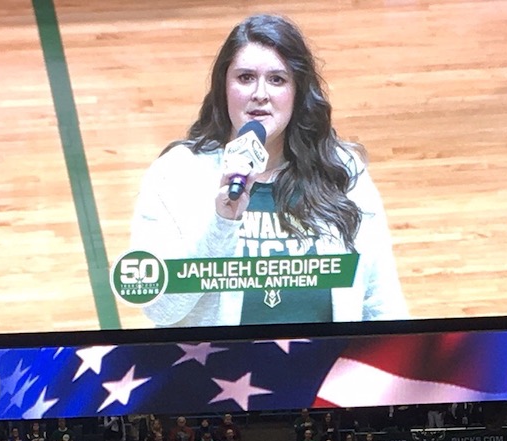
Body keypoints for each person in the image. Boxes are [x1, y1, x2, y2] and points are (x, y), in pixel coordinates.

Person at [129, 15, 406, 330]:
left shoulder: (341, 171)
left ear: (298, 91)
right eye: (245, 77)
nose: (260, 93)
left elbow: (381, 302)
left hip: (325, 374)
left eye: (277, 79)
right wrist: (221, 224)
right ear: (224, 87)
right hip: (212, 375)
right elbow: (159, 309)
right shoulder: (177, 174)